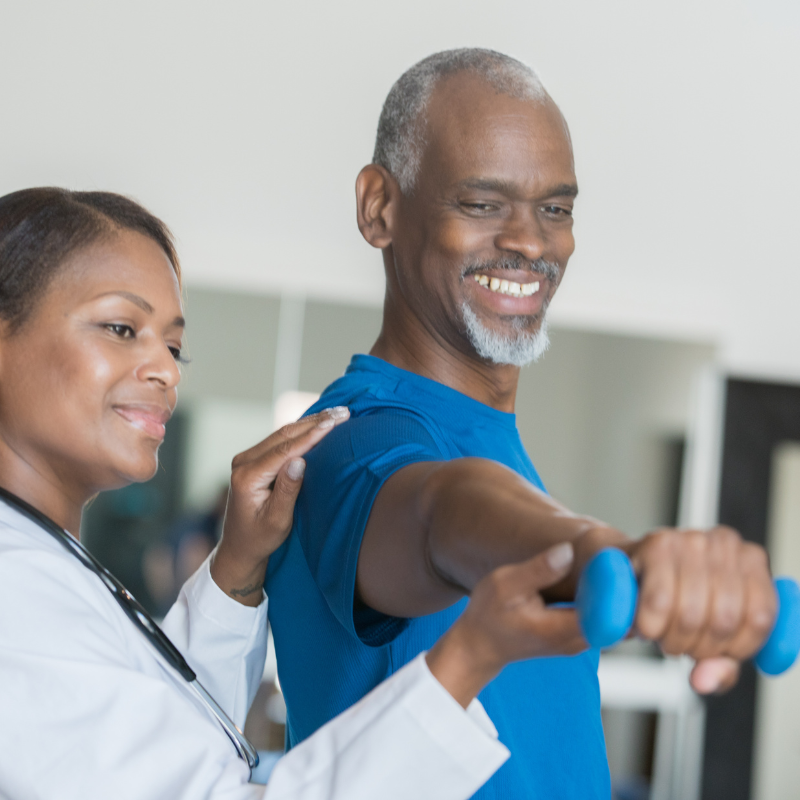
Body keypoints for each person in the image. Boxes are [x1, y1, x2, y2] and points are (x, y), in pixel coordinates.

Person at [266, 48, 779, 798]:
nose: (532, 243)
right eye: (482, 204)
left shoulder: (494, 443)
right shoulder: (354, 439)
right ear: (379, 206)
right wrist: (618, 556)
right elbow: (446, 514)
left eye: (556, 208)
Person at [0, 187, 597, 800]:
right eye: (121, 328)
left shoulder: (43, 565)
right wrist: (468, 657)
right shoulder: (14, 591)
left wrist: (237, 565)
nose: (167, 370)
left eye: (173, 346)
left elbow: (169, 744)